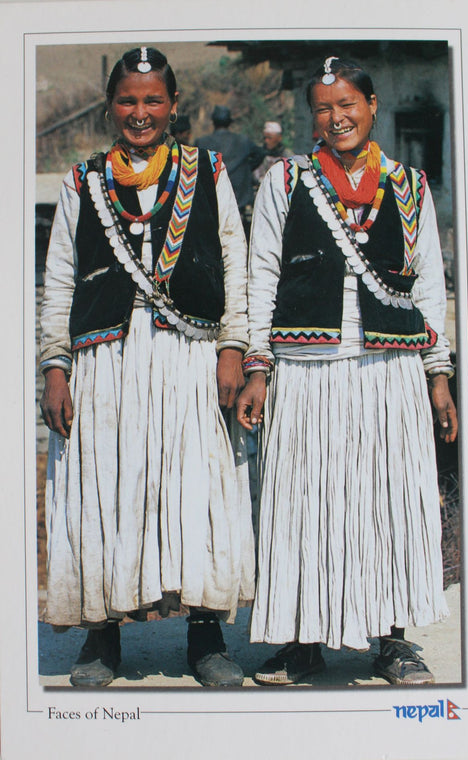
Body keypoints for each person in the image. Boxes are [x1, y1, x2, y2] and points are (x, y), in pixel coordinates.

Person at [237, 56, 458, 686]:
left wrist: (437, 375)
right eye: (324, 109)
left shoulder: (409, 186)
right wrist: (259, 365)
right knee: (303, 504)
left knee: (386, 502)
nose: (337, 118)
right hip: (305, 367)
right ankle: (303, 640)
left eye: (348, 105)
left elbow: (429, 287)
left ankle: (392, 640)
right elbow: (261, 276)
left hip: (389, 366)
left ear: (372, 107)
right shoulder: (285, 181)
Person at [40, 46, 254, 688]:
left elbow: (235, 264)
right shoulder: (82, 182)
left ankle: (204, 634)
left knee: (193, 488)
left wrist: (232, 349)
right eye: (128, 100)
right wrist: (55, 366)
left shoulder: (208, 172)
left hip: (188, 355)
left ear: (174, 106)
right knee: (107, 486)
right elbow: (58, 281)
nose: (140, 112)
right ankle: (102, 636)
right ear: (111, 106)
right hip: (105, 360)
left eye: (152, 99)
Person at [196, 106, 264, 236]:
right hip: (239, 202)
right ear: (230, 122)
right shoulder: (243, 141)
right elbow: (259, 154)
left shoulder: (202, 142)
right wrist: (246, 169)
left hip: (211, 204)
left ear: (213, 122)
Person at [253, 120, 293, 185]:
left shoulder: (288, 155)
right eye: (265, 138)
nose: (266, 141)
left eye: (269, 138)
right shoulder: (259, 153)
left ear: (279, 138)